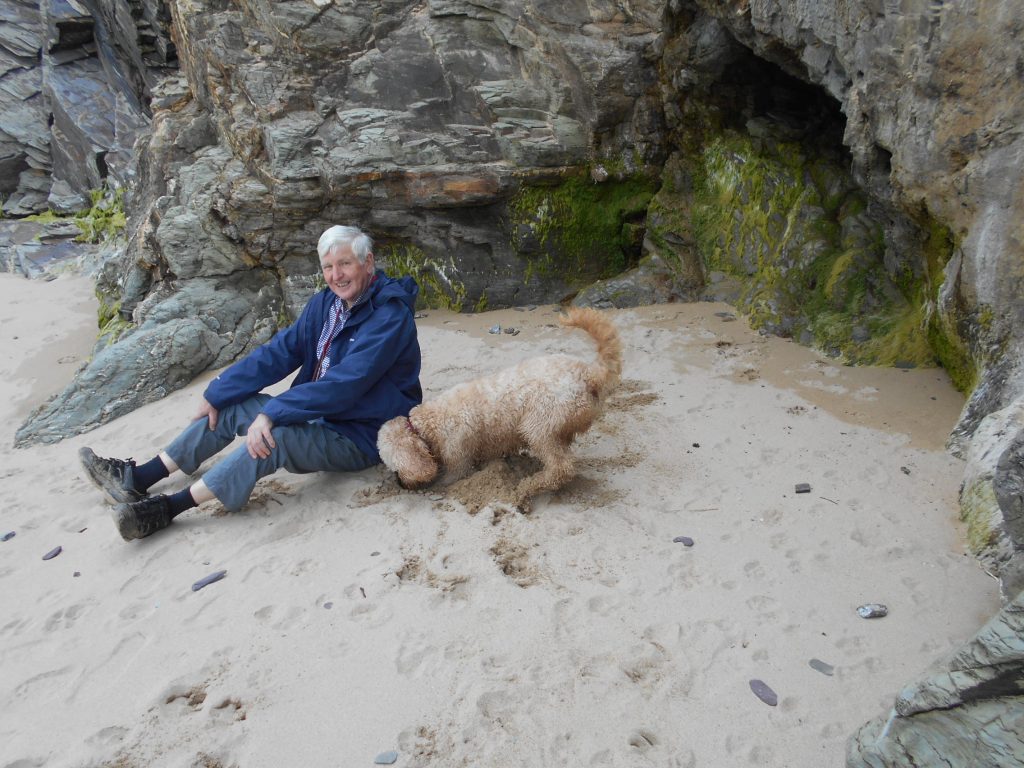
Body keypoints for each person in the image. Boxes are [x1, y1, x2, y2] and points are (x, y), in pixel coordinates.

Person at [79, 225, 422, 541]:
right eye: (328, 267)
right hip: (320, 416)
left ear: (368, 262)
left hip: (361, 433)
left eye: (345, 264)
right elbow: (279, 352)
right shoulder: (327, 303)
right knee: (233, 405)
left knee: (275, 437)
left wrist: (274, 412)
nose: (336, 275)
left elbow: (345, 385)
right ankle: (139, 478)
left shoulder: (389, 315)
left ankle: (169, 508)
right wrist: (218, 392)